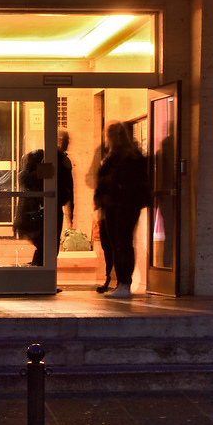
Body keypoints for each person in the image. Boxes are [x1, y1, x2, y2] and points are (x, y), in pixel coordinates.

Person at [92, 122, 152, 299]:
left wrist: (104, 197)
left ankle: (124, 283)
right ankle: (123, 283)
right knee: (122, 243)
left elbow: (114, 182)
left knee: (120, 244)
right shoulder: (132, 157)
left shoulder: (120, 158)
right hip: (123, 206)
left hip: (119, 206)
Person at [14, 148, 46, 266]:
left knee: (42, 247)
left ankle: (37, 266)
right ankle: (37, 268)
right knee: (43, 246)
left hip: (26, 218)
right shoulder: (37, 175)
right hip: (32, 218)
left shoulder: (25, 175)